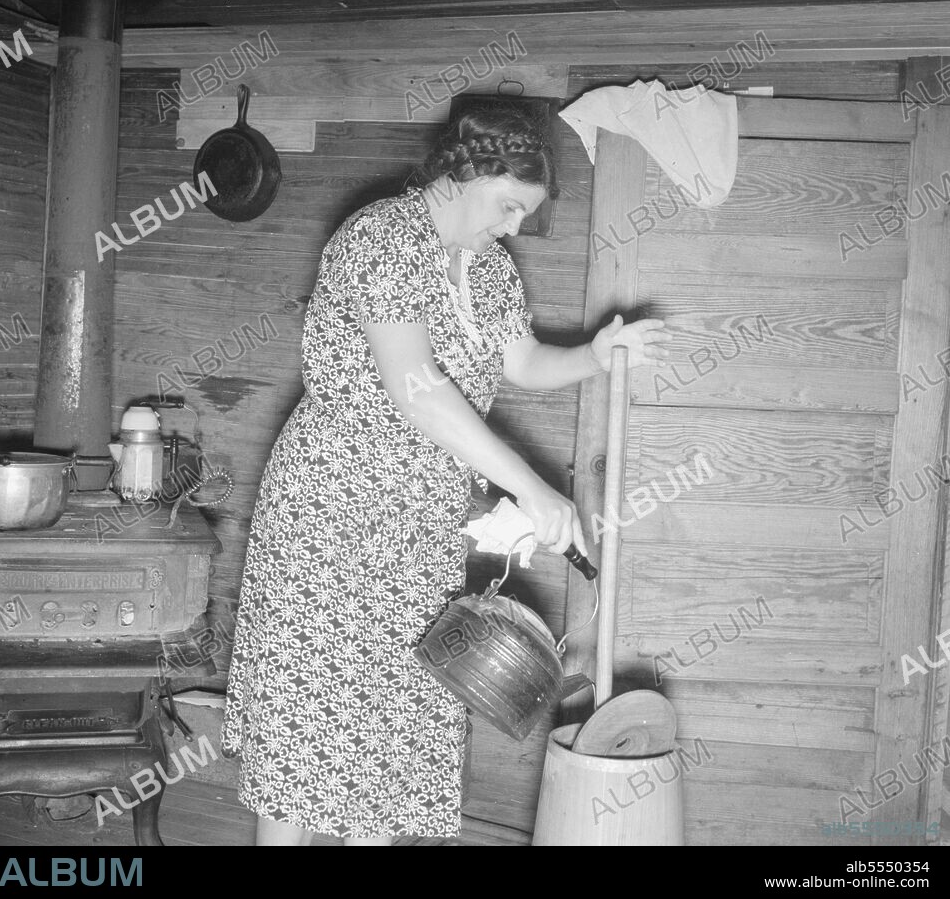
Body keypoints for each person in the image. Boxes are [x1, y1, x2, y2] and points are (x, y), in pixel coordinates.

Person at [220, 102, 671, 846]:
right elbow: (415, 385)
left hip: (419, 518)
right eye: (509, 205)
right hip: (334, 504)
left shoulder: (489, 268)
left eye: (524, 214)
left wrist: (596, 352)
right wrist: (527, 483)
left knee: (396, 708)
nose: (516, 226)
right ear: (468, 173)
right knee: (313, 709)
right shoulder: (382, 238)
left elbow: (520, 360)